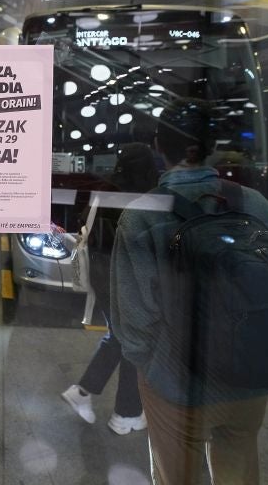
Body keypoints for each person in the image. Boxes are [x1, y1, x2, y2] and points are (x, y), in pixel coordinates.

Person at [111, 101, 268, 484]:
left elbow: (134, 320)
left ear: (159, 145)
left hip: (177, 383)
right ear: (210, 147)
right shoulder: (254, 204)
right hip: (251, 375)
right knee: (239, 472)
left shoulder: (143, 213)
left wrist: (154, 366)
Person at [62, 143, 157, 435]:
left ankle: (83, 392)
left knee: (119, 337)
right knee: (134, 344)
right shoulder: (143, 199)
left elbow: (84, 225)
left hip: (103, 278)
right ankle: (126, 414)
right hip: (126, 282)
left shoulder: (105, 190)